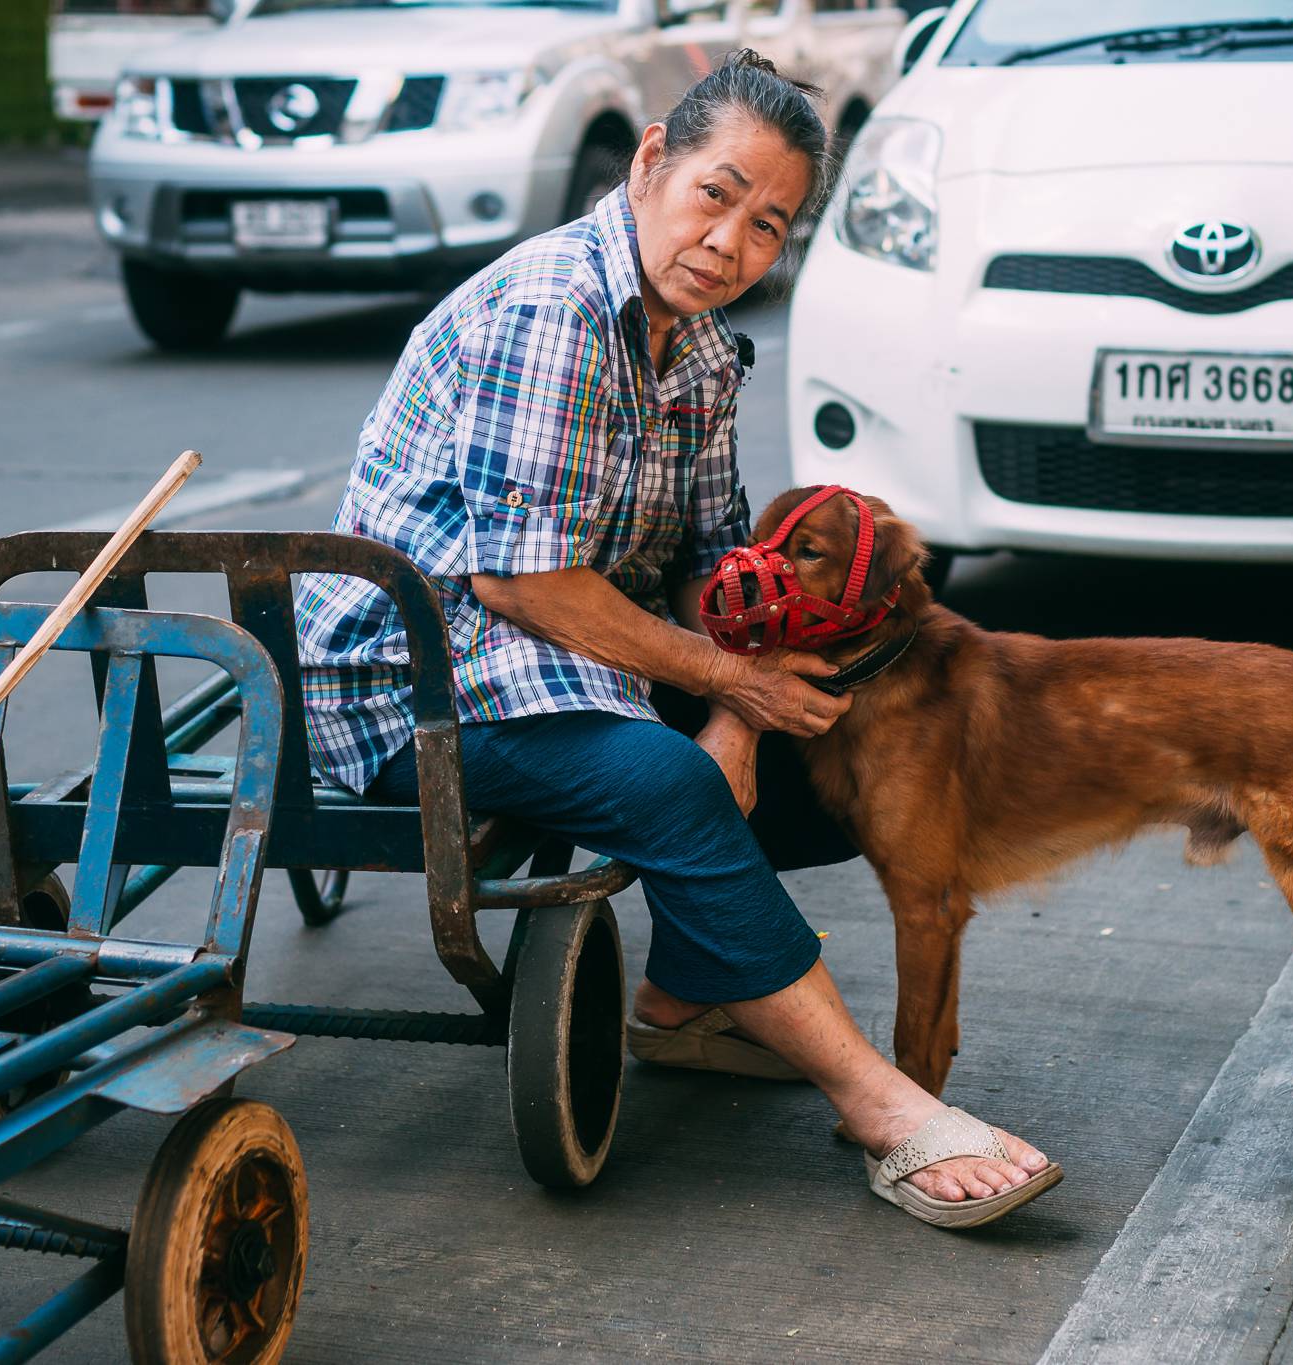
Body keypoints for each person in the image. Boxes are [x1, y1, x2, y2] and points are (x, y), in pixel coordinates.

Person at [296, 50, 1058, 1228]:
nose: (731, 243)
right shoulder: (555, 310)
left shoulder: (697, 345)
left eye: (770, 224)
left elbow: (716, 559)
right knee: (667, 784)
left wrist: (737, 708)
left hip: (569, 666)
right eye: (717, 193)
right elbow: (523, 584)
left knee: (824, 758)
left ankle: (680, 1005)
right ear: (653, 160)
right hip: (418, 685)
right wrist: (717, 692)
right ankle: (880, 1105)